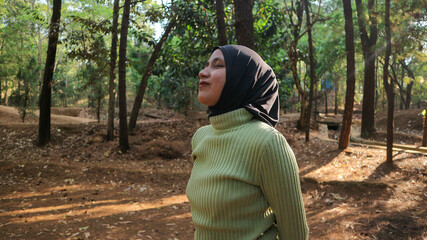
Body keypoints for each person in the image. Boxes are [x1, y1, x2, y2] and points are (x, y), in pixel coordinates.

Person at [186, 45, 309, 239]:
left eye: (218, 66)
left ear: (241, 78)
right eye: (206, 65)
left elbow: (296, 234)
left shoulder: (267, 142)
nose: (203, 72)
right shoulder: (201, 137)